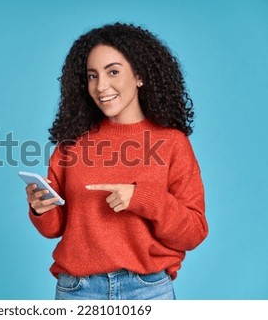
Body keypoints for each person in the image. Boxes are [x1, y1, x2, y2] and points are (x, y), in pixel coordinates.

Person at [25, 22, 208, 300]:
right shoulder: (71, 144)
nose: (101, 86)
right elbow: (54, 228)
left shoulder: (172, 143)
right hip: (78, 291)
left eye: (113, 72)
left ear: (139, 76)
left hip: (148, 291)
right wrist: (41, 208)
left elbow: (193, 233)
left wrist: (142, 198)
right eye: (92, 76)